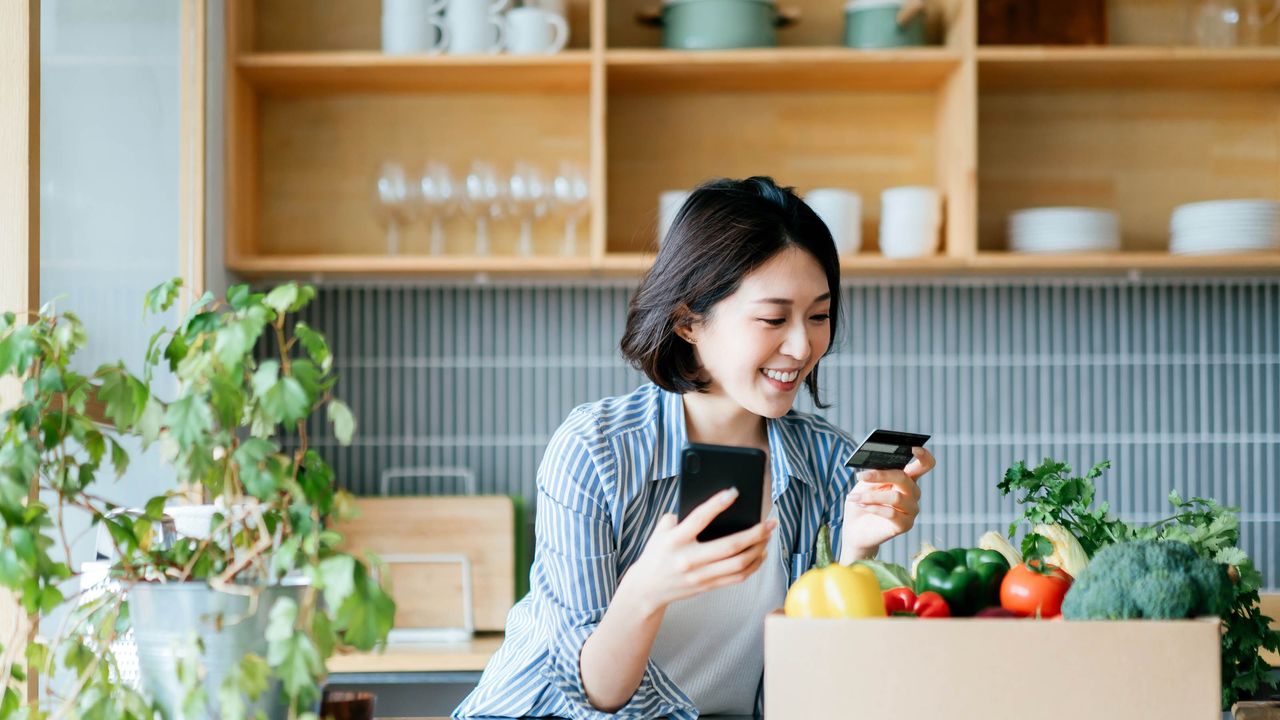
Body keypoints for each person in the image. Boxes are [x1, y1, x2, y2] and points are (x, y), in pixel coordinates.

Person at [453, 177, 935, 719]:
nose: (802, 346)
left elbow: (811, 685)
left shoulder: (828, 463)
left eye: (818, 316)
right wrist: (647, 589)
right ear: (688, 322)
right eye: (773, 318)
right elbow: (592, 696)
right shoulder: (596, 451)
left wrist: (853, 555)